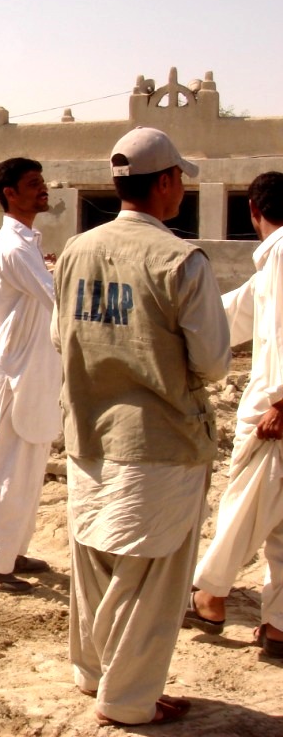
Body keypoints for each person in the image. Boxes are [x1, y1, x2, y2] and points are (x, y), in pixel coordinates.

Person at [51, 127, 231, 726]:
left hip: (87, 433)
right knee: (153, 577)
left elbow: (60, 337)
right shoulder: (180, 260)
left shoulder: (75, 252)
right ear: (167, 181)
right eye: (180, 179)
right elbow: (212, 362)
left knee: (95, 560)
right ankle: (128, 700)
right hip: (161, 441)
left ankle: (93, 672)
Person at [187, 171, 283, 659]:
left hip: (274, 411)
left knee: (245, 507)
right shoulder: (271, 263)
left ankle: (210, 595)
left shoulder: (282, 254)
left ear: (252, 210)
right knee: (279, 524)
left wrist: (282, 403)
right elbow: (234, 314)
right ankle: (279, 626)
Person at [0, 157, 61, 594]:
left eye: (42, 182)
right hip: (14, 373)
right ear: (10, 193)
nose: (42, 189)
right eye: (32, 184)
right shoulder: (13, 247)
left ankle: (11, 551)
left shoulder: (27, 244)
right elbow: (56, 296)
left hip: (33, 371)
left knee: (28, 465)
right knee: (6, 465)